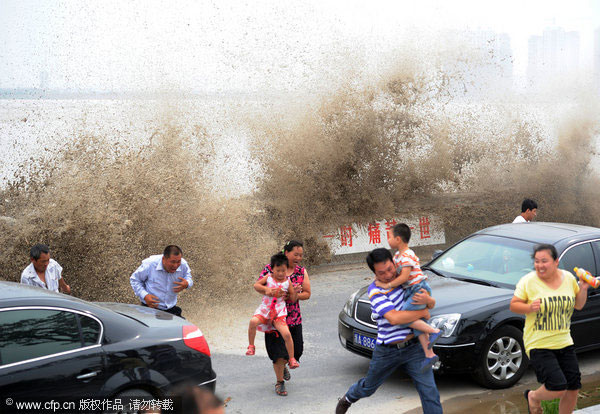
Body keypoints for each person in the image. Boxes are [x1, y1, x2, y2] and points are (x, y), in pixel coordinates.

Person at [336, 248, 443, 414]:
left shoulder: (406, 279)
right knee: (368, 388)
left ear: (394, 262)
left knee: (430, 392)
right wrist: (422, 313)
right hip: (387, 351)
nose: (388, 275)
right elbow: (394, 318)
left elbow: (429, 306)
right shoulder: (376, 290)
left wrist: (429, 300)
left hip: (415, 348)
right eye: (381, 273)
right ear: (374, 273)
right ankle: (348, 398)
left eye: (390, 269)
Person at [510, 244, 590, 414]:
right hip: (539, 344)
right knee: (558, 386)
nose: (540, 265)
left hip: (564, 341)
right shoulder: (528, 281)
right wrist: (529, 307)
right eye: (537, 261)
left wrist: (583, 288)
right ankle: (533, 397)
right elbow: (514, 305)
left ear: (556, 262)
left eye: (544, 261)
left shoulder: (568, 278)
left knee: (573, 386)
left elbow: (579, 305)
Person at [377, 223, 442, 372]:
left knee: (405, 318)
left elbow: (404, 277)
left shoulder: (407, 255)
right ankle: (429, 354)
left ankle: (434, 332)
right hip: (411, 291)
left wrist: (388, 286)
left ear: (398, 239)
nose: (387, 240)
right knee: (418, 326)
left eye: (389, 237)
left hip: (417, 289)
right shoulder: (398, 256)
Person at [254, 240, 311, 397]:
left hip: (293, 318)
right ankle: (280, 382)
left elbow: (307, 293)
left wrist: (295, 294)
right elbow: (259, 286)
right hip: (274, 318)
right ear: (286, 253)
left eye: (301, 255)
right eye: (295, 254)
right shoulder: (272, 268)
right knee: (279, 353)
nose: (298, 258)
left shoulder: (301, 271)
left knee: (297, 350)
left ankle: (285, 365)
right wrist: (270, 291)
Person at [246, 253, 299, 369]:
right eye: (278, 270)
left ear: (287, 270)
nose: (280, 273)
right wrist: (268, 290)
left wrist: (294, 291)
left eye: (283, 271)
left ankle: (292, 359)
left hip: (278, 313)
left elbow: (293, 299)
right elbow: (256, 286)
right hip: (265, 310)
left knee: (286, 334)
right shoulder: (268, 277)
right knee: (253, 322)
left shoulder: (287, 282)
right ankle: (251, 346)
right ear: (272, 269)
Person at [130, 245, 193, 317]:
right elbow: (135, 279)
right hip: (150, 309)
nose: (175, 265)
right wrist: (145, 296)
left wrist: (187, 283)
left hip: (171, 310)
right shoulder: (150, 264)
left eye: (178, 261)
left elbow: (188, 277)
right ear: (164, 259)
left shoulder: (183, 264)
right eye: (172, 262)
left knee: (184, 327)